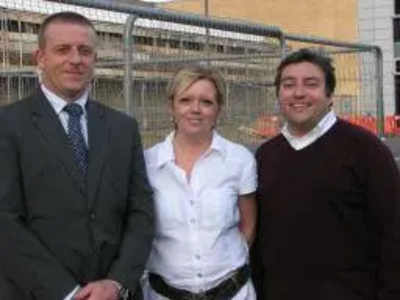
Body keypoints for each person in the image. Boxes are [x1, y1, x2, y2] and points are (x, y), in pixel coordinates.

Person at [0, 12, 154, 300]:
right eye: (62, 50)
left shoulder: (122, 128)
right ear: (40, 57)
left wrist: (117, 282)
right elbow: (4, 221)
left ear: (94, 59)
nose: (75, 59)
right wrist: (69, 293)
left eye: (85, 51)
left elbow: (141, 213)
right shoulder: (8, 125)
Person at [252, 48, 400, 299]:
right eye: (289, 85)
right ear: (278, 94)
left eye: (311, 84)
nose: (298, 93)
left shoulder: (366, 150)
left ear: (330, 94)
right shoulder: (264, 156)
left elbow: (394, 233)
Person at [143, 65, 257, 299]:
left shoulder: (239, 159)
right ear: (171, 106)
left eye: (206, 102)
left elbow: (249, 226)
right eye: (185, 100)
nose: (195, 109)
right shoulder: (146, 163)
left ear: (218, 110)